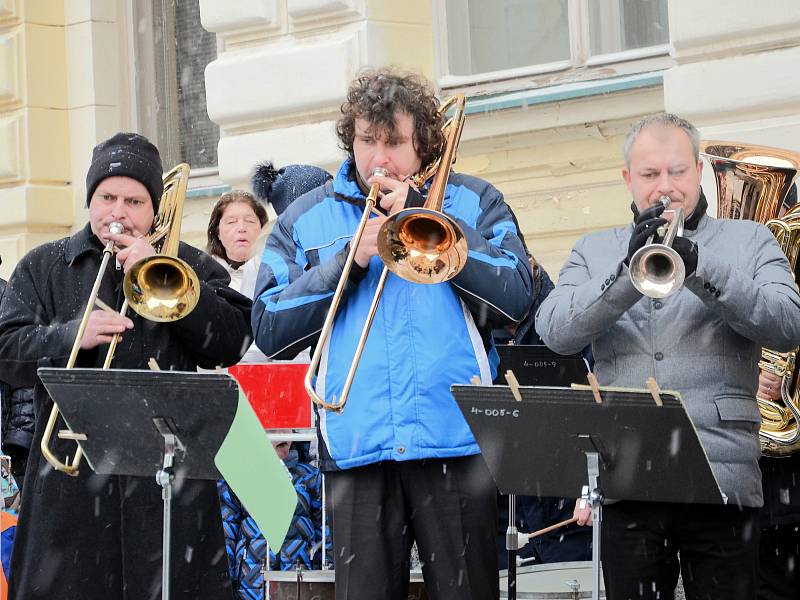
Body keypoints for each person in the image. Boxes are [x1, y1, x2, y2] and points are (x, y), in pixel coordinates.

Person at [251, 67, 533, 600]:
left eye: (396, 142)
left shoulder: (472, 201)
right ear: (350, 141)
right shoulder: (305, 219)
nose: (380, 158)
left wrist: (431, 223)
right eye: (367, 141)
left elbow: (518, 296)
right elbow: (270, 327)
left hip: (454, 441)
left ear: (423, 144)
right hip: (358, 444)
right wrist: (349, 261)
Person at [535, 112, 800, 600]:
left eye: (677, 172)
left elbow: (787, 323)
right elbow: (554, 331)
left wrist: (700, 265)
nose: (665, 188)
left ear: (699, 170)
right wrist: (622, 274)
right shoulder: (596, 250)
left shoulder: (749, 241)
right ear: (627, 179)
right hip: (630, 476)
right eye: (650, 174)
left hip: (722, 477)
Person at [0, 132, 253, 600]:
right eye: (107, 197)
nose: (118, 212)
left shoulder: (190, 265)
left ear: (154, 209)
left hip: (164, 487)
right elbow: (5, 349)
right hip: (69, 489)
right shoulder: (44, 266)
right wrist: (67, 335)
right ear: (90, 200)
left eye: (134, 201)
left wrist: (168, 271)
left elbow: (232, 342)